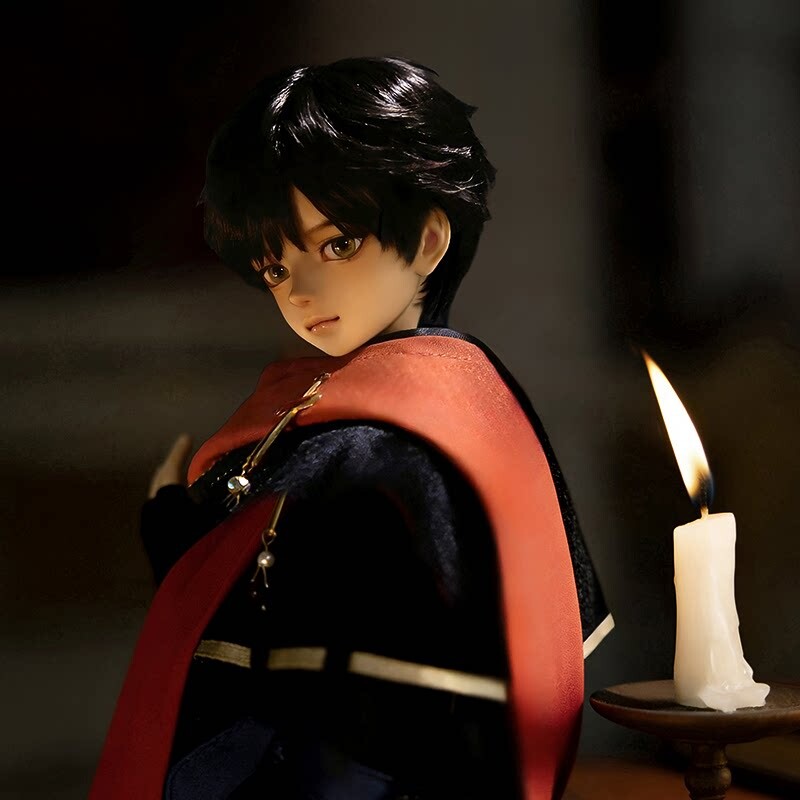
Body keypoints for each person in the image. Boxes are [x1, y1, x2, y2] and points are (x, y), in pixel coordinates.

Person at [90, 56, 611, 800]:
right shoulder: (361, 412)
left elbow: (359, 695)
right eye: (274, 267)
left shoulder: (403, 442)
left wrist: (193, 544)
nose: (300, 291)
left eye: (337, 244)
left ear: (427, 240)